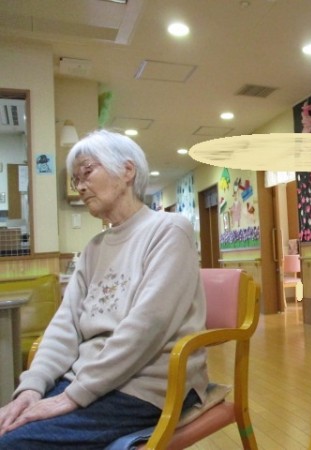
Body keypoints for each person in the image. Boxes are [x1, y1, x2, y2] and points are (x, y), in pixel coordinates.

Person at [0, 130, 208, 449]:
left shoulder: (170, 230)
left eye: (87, 172)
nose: (81, 186)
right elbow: (65, 325)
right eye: (75, 180)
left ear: (127, 170)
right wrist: (32, 386)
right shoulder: (94, 248)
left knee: (13, 443)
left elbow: (147, 327)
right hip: (90, 380)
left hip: (148, 386)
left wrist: (73, 396)